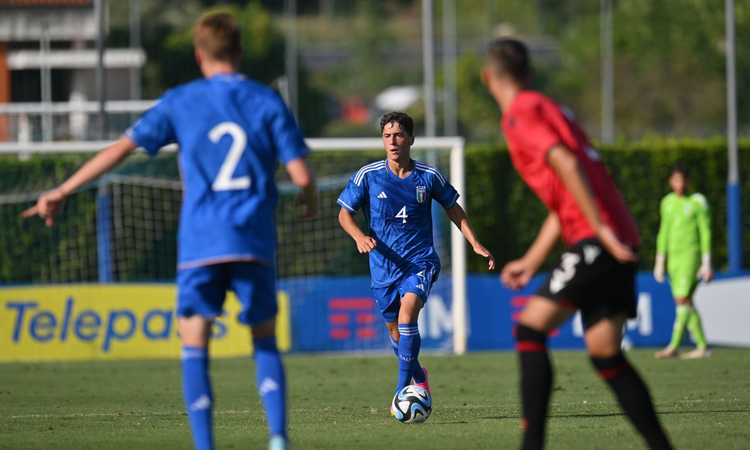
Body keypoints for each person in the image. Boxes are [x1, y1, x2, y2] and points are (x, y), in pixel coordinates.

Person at [22, 12, 316, 450]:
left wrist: (62, 189)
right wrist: (307, 200)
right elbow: (303, 177)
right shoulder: (266, 101)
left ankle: (204, 445)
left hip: (202, 243)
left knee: (194, 339)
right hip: (252, 238)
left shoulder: (181, 100)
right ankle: (277, 439)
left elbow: (121, 149)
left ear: (200, 55)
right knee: (264, 338)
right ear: (239, 51)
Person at [483, 38, 673, 450]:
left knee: (529, 329)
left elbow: (567, 165)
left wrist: (599, 230)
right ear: (529, 74)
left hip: (598, 239)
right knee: (606, 354)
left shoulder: (519, 115)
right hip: (617, 238)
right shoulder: (553, 110)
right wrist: (533, 260)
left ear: (488, 77)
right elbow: (569, 187)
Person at [336, 111, 494, 415]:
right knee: (395, 332)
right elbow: (344, 214)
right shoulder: (367, 175)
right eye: (387, 136)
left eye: (398, 135)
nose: (392, 141)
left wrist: (474, 243)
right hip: (383, 267)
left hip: (420, 261)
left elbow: (454, 209)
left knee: (408, 316)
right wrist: (358, 236)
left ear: (410, 139)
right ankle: (419, 375)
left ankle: (401, 390)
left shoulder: (428, 176)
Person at [653, 164, 712, 359]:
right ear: (671, 181)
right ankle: (702, 346)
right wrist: (660, 261)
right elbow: (663, 232)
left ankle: (673, 345)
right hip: (673, 258)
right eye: (675, 180)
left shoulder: (697, 202)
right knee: (685, 301)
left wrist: (706, 262)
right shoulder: (667, 202)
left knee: (681, 300)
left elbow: (705, 232)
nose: (679, 184)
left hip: (690, 255)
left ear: (687, 181)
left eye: (682, 180)